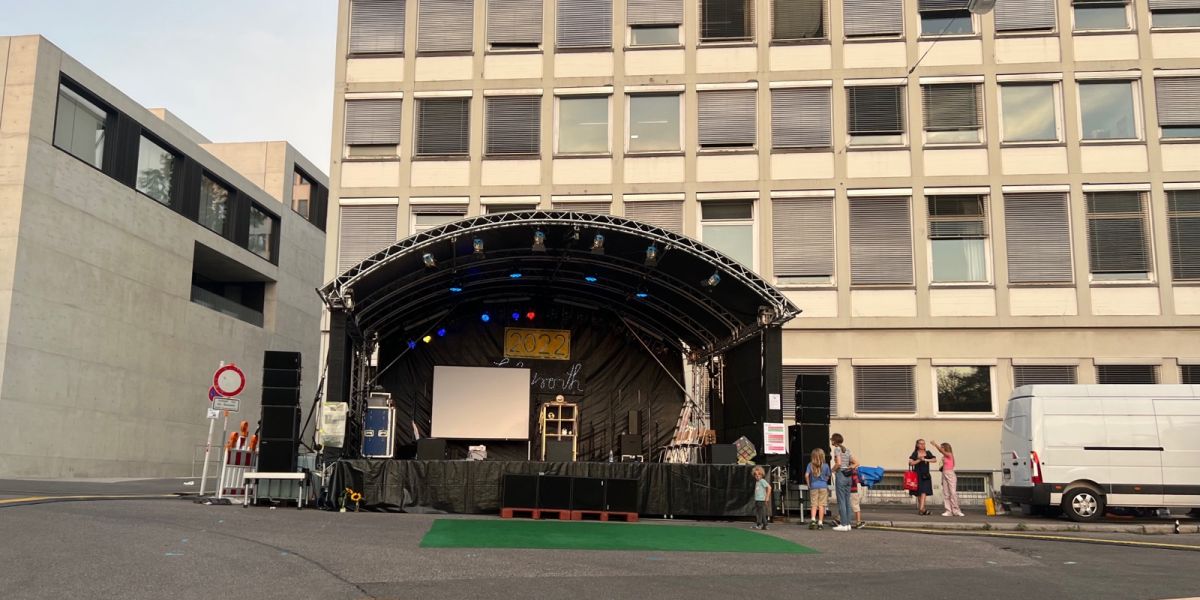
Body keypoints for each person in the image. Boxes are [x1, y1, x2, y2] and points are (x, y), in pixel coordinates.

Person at [830, 433, 859, 531]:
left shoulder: (837, 449)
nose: (831, 441)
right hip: (848, 476)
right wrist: (849, 468)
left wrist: (832, 470)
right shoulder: (847, 450)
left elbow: (838, 463)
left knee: (841, 500)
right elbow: (857, 463)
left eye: (832, 440)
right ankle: (848, 524)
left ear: (834, 441)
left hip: (841, 475)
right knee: (847, 501)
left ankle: (843, 524)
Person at [930, 440, 964, 517]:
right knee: (946, 493)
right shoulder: (944, 456)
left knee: (953, 492)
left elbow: (942, 451)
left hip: (950, 473)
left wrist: (935, 445)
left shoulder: (949, 454)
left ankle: (956, 510)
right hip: (944, 473)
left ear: (945, 448)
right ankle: (948, 510)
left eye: (942, 447)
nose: (941, 449)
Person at [908, 439, 936, 515]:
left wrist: (926, 459)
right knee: (919, 493)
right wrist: (919, 460)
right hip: (917, 475)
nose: (923, 445)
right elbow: (911, 463)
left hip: (926, 475)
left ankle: (921, 509)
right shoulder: (915, 453)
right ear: (917, 445)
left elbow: (934, 459)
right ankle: (923, 510)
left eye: (924, 444)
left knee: (924, 492)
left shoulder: (928, 452)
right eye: (921, 444)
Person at [804, 448, 831, 529]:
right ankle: (820, 523)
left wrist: (809, 484)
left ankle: (813, 520)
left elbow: (806, 475)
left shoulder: (810, 465)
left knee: (814, 505)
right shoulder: (826, 465)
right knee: (821, 505)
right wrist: (825, 480)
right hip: (823, 486)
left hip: (814, 486)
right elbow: (828, 475)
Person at [752, 466, 771, 530]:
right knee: (760, 512)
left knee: (760, 513)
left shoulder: (762, 481)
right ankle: (763, 525)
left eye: (759, 474)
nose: (757, 476)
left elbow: (769, 487)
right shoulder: (757, 482)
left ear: (762, 474)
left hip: (761, 500)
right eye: (756, 474)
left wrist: (767, 497)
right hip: (757, 499)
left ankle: (760, 524)